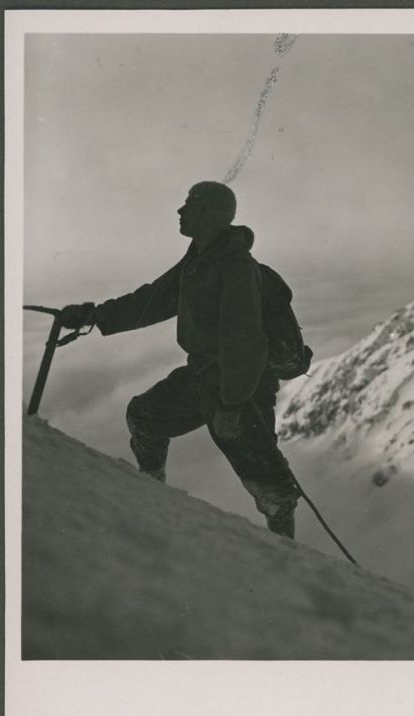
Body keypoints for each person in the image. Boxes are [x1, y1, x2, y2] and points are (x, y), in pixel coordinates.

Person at [60, 181, 300, 539]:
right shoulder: (198, 260)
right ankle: (151, 495)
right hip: (203, 377)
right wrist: (96, 316)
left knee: (272, 489)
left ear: (210, 215)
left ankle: (287, 560)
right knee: (144, 417)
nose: (180, 211)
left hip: (241, 388)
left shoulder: (235, 266)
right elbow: (153, 299)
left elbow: (244, 340)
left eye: (190, 205)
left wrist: (232, 404)